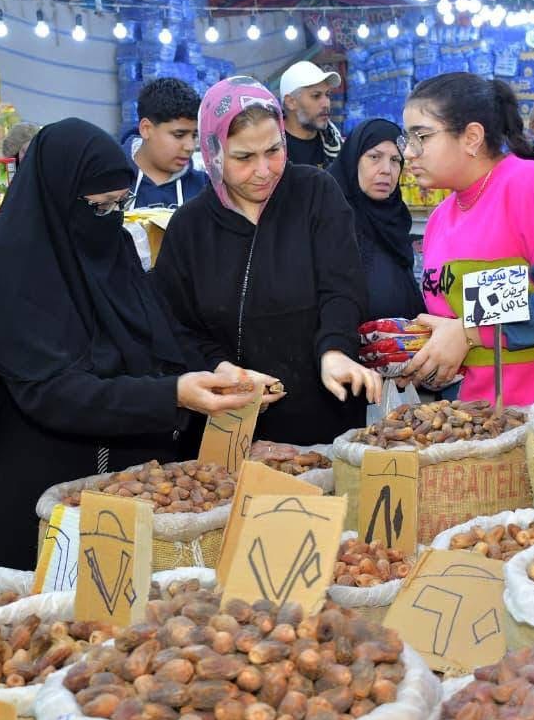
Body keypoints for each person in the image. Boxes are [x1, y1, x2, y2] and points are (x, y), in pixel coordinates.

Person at [0, 119, 259, 570]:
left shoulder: (113, 245)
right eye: (99, 207)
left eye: (121, 203)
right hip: (50, 476)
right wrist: (170, 394)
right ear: (58, 198)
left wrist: (217, 368)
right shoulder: (12, 270)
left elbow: (159, 330)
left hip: (131, 473)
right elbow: (50, 391)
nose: (111, 218)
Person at [155, 77, 381, 445]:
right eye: (244, 157)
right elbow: (174, 326)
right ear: (213, 155)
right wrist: (222, 370)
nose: (263, 170)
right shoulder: (189, 228)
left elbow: (342, 286)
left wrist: (335, 350)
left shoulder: (315, 193)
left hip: (322, 417)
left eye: (274, 150)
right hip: (225, 428)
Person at [399, 73, 534, 405]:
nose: (409, 153)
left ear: (471, 137)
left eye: (421, 136)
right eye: (406, 139)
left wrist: (469, 333)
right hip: (479, 418)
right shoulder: (440, 218)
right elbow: (466, 315)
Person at [326, 118, 424, 322]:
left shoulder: (395, 219)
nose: (386, 170)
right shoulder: (330, 220)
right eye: (374, 157)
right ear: (353, 160)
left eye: (395, 160)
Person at [129, 77, 210, 209]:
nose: (190, 146)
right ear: (146, 129)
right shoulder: (110, 179)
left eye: (195, 135)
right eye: (179, 135)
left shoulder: (205, 188)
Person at [279, 61, 344, 169]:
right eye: (316, 96)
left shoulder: (335, 144)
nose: (326, 103)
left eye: (328, 95)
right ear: (291, 102)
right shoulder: (271, 150)